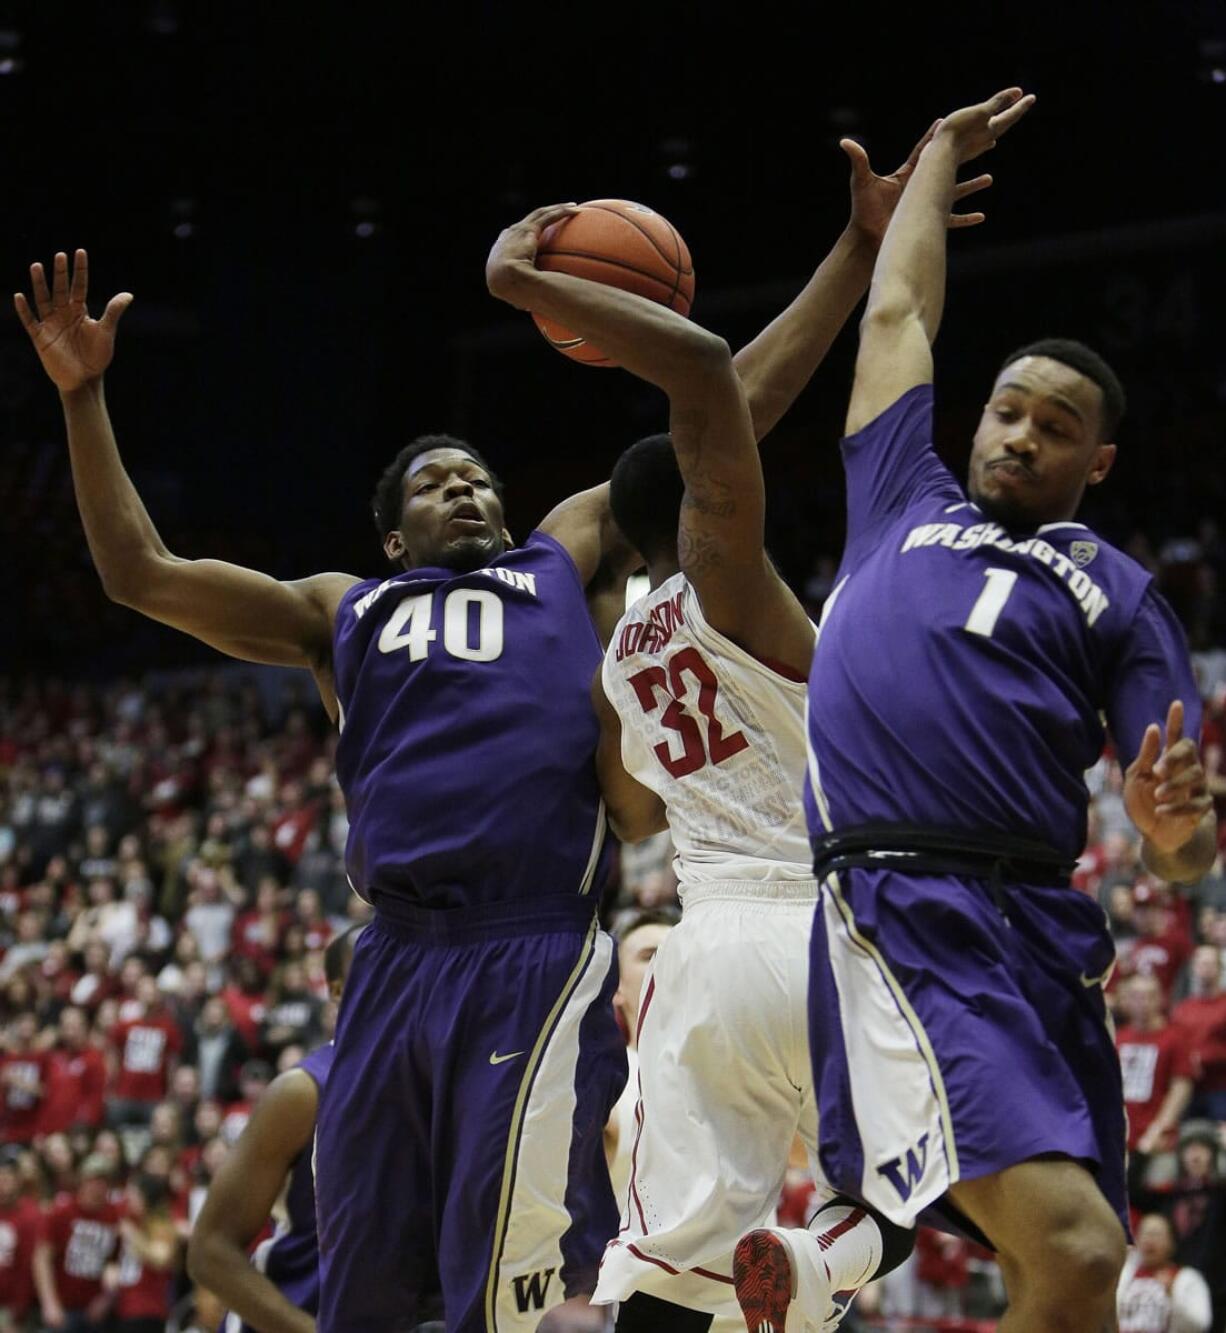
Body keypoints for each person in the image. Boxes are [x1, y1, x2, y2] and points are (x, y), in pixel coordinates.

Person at [487, 127, 982, 1330]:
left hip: (696, 961)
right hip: (821, 927)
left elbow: (637, 807)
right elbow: (712, 378)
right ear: (707, 493)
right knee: (961, 1154)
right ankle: (831, 1255)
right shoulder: (728, 582)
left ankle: (803, 1265)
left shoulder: (622, 643)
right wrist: (526, 283)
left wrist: (852, 246)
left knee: (668, 1278)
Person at [798, 87, 1217, 1332]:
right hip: (904, 902)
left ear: (1096, 462)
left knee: (1070, 1285)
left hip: (1039, 935)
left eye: (1056, 428)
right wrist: (929, 162)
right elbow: (897, 308)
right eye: (1008, 410)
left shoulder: (1121, 592)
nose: (1020, 436)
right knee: (1079, 1251)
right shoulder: (898, 493)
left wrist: (1163, 823)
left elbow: (1183, 852)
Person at [188, 927, 360, 1333]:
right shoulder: (303, 1091)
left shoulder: (438, 1090)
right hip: (294, 1314)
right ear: (336, 990)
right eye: (374, 968)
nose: (393, 980)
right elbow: (209, 1251)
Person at [35, 1154, 121, 1333]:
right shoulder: (63, 1212)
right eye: (93, 1180)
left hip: (96, 1310)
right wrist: (49, 1303)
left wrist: (106, 1299)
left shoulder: (114, 1216)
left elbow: (117, 1264)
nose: (97, 1187)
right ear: (82, 1181)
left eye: (103, 1181)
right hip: (63, 1307)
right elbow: (42, 1258)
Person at [106, 1172, 179, 1333]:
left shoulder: (160, 1225)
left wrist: (133, 1236)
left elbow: (161, 1258)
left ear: (146, 1196)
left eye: (133, 1193)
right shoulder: (128, 1219)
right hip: (122, 1307)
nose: (128, 1197)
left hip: (147, 1309)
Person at [1116, 1214, 1211, 1333]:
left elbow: (1200, 1326)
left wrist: (1172, 1293)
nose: (1149, 1240)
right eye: (1145, 1233)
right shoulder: (1124, 1274)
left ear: (1172, 1242)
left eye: (1156, 1234)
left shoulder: (1187, 1279)